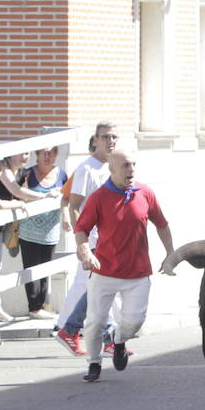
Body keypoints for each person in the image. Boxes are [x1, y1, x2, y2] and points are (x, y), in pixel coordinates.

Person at [72, 147, 173, 383]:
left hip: (137, 272)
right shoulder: (99, 197)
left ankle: (118, 339)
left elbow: (161, 224)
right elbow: (82, 229)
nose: (132, 170)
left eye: (133, 165)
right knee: (94, 322)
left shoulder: (145, 193)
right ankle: (94, 363)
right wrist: (85, 251)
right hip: (104, 270)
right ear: (112, 169)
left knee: (134, 322)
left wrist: (170, 253)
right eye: (126, 165)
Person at [54, 122, 118, 355]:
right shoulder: (86, 169)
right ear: (95, 140)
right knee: (101, 287)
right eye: (105, 137)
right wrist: (83, 240)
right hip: (92, 240)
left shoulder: (112, 167)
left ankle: (67, 329)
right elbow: (74, 204)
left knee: (94, 287)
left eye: (114, 137)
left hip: (107, 238)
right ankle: (105, 338)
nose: (110, 141)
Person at [3, 147, 66, 319]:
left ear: (56, 155)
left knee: (46, 268)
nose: (47, 156)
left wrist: (66, 218)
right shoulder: (27, 173)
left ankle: (42, 305)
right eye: (43, 153)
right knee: (30, 267)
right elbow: (17, 194)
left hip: (51, 230)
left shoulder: (62, 175)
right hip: (28, 230)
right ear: (37, 155)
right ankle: (34, 307)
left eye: (51, 153)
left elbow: (66, 199)